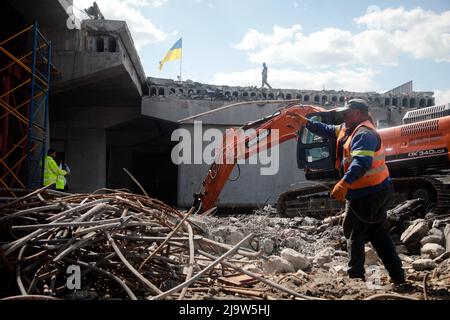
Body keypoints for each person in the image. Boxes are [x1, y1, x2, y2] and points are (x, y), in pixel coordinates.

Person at [289, 98, 405, 285]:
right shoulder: (347, 128)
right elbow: (328, 130)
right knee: (377, 233)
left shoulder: (363, 135)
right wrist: (307, 123)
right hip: (373, 189)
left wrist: (343, 183)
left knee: (353, 231)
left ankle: (356, 277)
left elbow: (361, 164)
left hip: (368, 192)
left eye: (347, 112)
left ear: (358, 113)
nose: (343, 115)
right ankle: (398, 275)